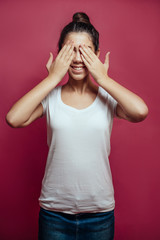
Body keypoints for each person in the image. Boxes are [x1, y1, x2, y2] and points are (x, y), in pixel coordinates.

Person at [6, 12, 148, 240]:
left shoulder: (108, 98)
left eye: (85, 51)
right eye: (71, 50)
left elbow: (140, 111)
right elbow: (13, 119)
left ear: (98, 55)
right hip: (54, 215)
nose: (78, 58)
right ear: (60, 52)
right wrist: (52, 78)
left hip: (99, 214)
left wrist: (103, 79)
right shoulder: (50, 97)